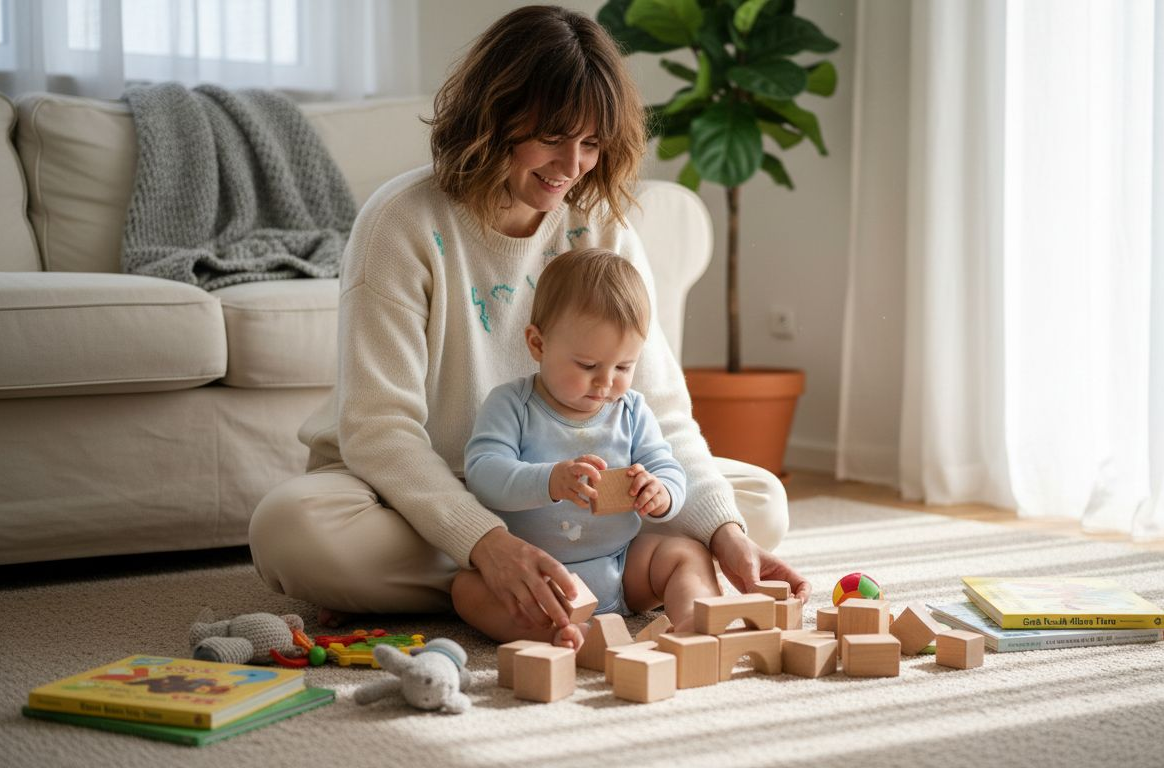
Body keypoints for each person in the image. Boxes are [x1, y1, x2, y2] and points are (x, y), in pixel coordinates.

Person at [247, 4, 809, 632]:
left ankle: (505, 586)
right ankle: (548, 575)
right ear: (493, 118)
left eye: (591, 143)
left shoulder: (599, 227)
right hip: (408, 493)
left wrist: (725, 532)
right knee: (291, 530)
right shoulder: (401, 222)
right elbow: (381, 434)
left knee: (757, 505)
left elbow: (661, 410)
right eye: (552, 136)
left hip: (572, 502)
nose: (571, 167)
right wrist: (485, 539)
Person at [457, 248, 719, 648]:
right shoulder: (511, 404)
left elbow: (667, 467)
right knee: (465, 590)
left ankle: (692, 626)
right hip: (539, 577)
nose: (605, 383)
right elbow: (483, 473)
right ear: (538, 344)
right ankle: (569, 635)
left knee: (686, 552)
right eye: (587, 366)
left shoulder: (631, 409)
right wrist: (550, 480)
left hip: (623, 565)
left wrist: (660, 492)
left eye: (623, 368)